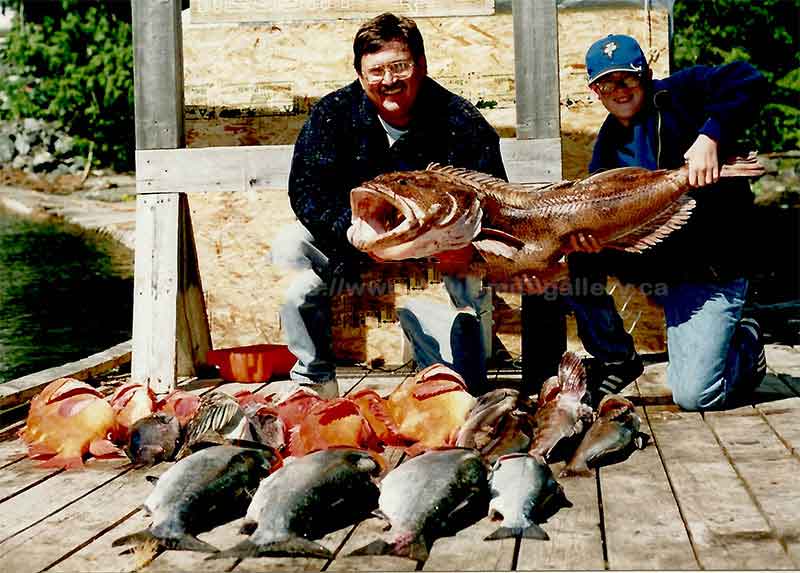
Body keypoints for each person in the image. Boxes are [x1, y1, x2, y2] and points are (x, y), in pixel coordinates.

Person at [271, 12, 507, 398]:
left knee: (464, 379)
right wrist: (357, 233)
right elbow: (307, 191)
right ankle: (314, 379)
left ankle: (463, 374)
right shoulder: (332, 114)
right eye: (375, 71)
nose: (388, 81)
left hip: (437, 247)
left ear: (422, 65)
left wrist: (448, 242)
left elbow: (491, 196)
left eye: (399, 67)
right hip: (356, 237)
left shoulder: (461, 120)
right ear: (360, 74)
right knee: (289, 248)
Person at [564, 34, 767, 411]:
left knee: (693, 396)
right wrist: (597, 238)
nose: (619, 91)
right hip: (663, 265)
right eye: (607, 83)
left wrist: (710, 136)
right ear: (595, 90)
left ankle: (747, 343)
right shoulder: (606, 147)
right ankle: (616, 357)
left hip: (711, 269)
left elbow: (748, 78)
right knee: (573, 256)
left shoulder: (682, 93)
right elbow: (609, 212)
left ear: (646, 75)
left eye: (627, 79)